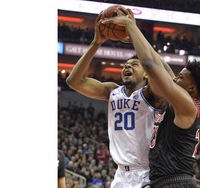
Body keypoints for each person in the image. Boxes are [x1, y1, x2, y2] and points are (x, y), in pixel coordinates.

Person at [102, 7, 200, 188]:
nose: (174, 77)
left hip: (175, 183)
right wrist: (135, 33)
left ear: (192, 88)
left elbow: (150, 65)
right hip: (164, 182)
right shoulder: (179, 99)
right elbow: (159, 63)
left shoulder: (186, 104)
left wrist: (131, 26)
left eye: (180, 77)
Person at [66, 13, 174, 188]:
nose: (127, 67)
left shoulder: (152, 94)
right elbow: (73, 81)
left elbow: (162, 73)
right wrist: (96, 44)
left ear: (146, 74)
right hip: (120, 175)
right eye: (124, 66)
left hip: (147, 173)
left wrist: (134, 32)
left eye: (133, 64)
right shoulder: (112, 91)